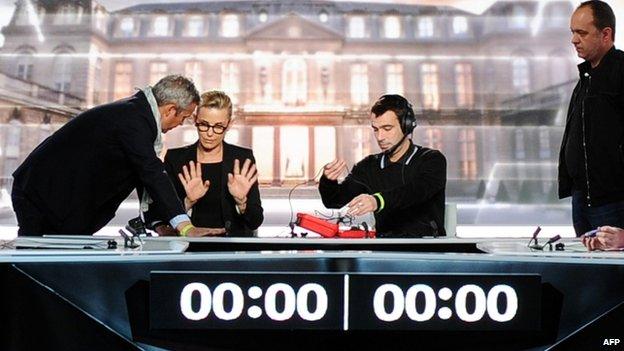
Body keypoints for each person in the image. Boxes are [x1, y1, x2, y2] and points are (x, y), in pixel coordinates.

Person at [11, 75, 220, 237]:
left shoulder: (138, 113)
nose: (180, 125)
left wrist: (158, 224)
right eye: (183, 118)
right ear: (170, 110)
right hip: (44, 199)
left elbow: (141, 176)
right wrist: (185, 227)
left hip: (53, 198)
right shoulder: (135, 121)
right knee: (40, 276)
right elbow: (151, 172)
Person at [318, 94, 446, 238]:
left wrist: (378, 201)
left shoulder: (432, 160)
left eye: (387, 128)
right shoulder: (368, 166)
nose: (380, 137)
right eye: (376, 129)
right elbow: (334, 201)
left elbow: (416, 191)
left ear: (407, 125)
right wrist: (328, 181)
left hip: (428, 252)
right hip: (384, 251)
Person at [145, 91, 263, 236]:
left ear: (229, 124)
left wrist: (242, 202)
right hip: (190, 248)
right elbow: (158, 216)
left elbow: (255, 221)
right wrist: (188, 202)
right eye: (204, 125)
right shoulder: (176, 159)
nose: (210, 133)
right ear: (195, 119)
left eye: (219, 126)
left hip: (233, 249)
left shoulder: (242, 158)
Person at [559, 0, 624, 236]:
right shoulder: (586, 78)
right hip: (582, 198)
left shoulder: (620, 71)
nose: (574, 40)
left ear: (606, 34)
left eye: (582, 33)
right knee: (588, 270)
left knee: (612, 271)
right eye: (573, 32)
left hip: (612, 201)